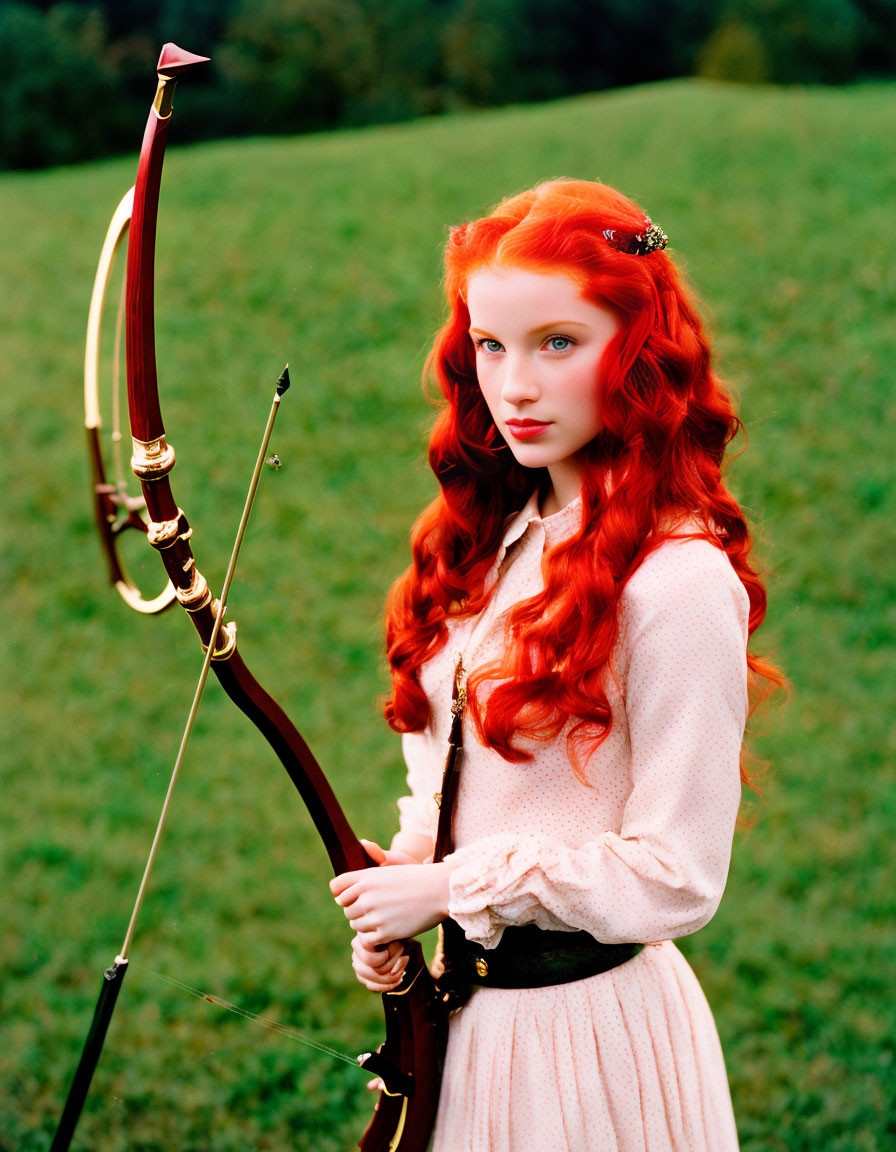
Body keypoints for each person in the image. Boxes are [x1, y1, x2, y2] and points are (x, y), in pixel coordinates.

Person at [330, 179, 781, 1151]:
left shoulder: (675, 577)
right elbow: (460, 787)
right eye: (490, 346)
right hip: (468, 1032)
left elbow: (677, 876)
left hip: (588, 1042)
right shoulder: (494, 539)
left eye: (557, 343)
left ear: (637, 349)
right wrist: (406, 881)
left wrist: (454, 890)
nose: (515, 386)